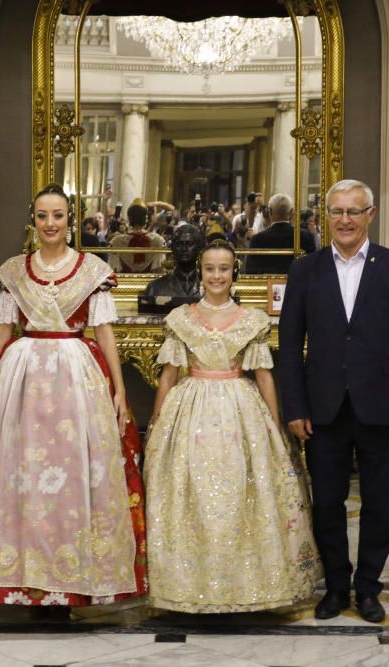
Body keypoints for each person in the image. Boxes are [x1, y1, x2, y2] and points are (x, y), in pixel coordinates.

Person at [0, 184, 147, 612]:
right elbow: (3, 331)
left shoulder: (93, 271)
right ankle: (16, 577)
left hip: (77, 380)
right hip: (21, 381)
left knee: (74, 479)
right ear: (34, 220)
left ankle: (72, 580)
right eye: (43, 216)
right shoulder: (13, 271)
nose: (50, 224)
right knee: (17, 476)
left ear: (71, 220)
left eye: (59, 216)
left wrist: (119, 389)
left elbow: (104, 333)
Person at [278, 179, 389, 623]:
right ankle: (336, 586)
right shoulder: (305, 270)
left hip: (383, 410)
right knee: (326, 503)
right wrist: (295, 407)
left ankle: (368, 588)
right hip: (323, 410)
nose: (344, 219)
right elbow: (290, 345)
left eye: (353, 211)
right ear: (326, 216)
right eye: (337, 211)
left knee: (379, 505)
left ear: (370, 215)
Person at [145, 240, 320, 613]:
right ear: (201, 272)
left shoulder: (251, 320)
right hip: (191, 408)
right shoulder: (181, 318)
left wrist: (274, 425)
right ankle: (189, 584)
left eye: (224, 269)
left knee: (245, 492)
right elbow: (168, 375)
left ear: (234, 272)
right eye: (210, 269)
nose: (217, 276)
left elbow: (264, 376)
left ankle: (249, 586)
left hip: (240, 409)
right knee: (192, 494)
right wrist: (158, 423)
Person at [245, 193, 317, 274]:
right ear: (291, 213)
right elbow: (313, 270)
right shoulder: (306, 237)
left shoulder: (257, 240)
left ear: (270, 211)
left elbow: (250, 274)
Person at [142, 223, 205, 299]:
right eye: (179, 244)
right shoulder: (155, 288)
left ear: (199, 248)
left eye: (189, 244)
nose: (184, 249)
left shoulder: (210, 287)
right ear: (172, 249)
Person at [108, 199, 165, 273]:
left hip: (124, 283)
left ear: (129, 219)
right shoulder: (157, 240)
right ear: (146, 219)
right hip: (150, 283)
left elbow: (113, 270)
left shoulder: (117, 241)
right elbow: (159, 271)